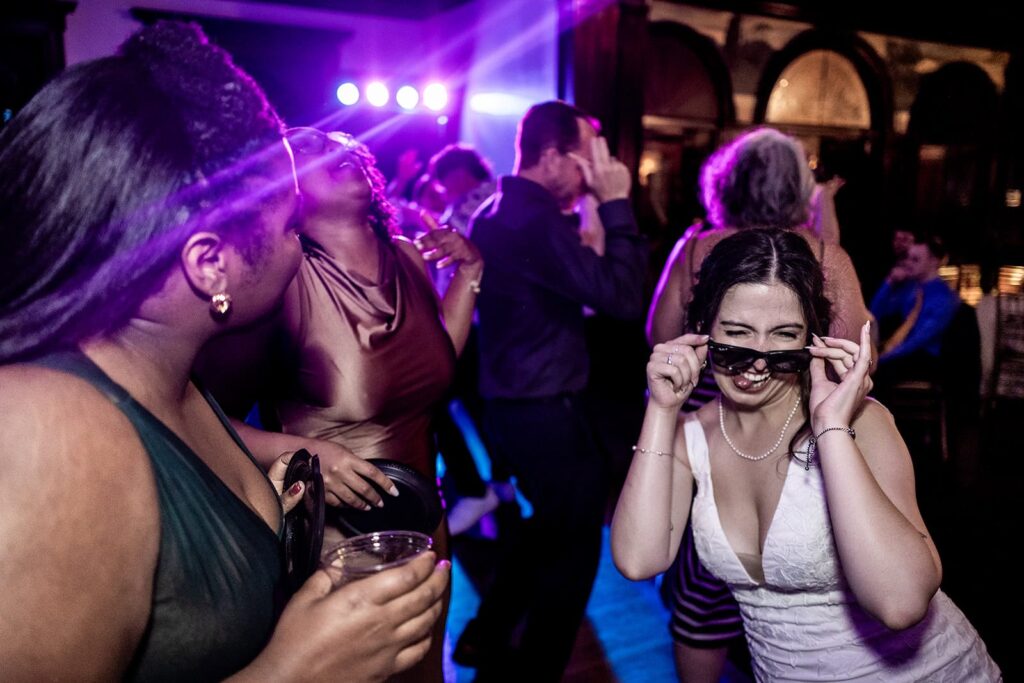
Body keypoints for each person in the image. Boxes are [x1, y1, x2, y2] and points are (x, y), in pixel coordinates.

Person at [0, 20, 448, 681]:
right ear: (210, 264)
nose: (300, 244)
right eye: (291, 224)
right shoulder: (54, 426)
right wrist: (298, 669)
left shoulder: (171, 380)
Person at [612, 229, 1000, 682]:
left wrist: (831, 427)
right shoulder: (688, 433)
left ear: (810, 341)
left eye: (782, 337)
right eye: (736, 335)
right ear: (702, 330)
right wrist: (662, 408)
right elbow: (639, 559)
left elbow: (901, 603)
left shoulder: (862, 421)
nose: (757, 362)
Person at [645, 127, 874, 682]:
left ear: (726, 182)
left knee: (706, 569)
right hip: (793, 428)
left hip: (711, 421)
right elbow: (859, 355)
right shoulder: (821, 254)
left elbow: (659, 334)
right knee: (795, 549)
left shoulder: (699, 245)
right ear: (798, 185)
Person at [256, 126, 483, 683]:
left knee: (426, 672)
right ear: (282, 185)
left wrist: (469, 275)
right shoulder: (281, 277)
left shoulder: (406, 255)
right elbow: (198, 413)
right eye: (308, 148)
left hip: (425, 526)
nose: (338, 148)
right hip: (335, 545)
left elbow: (432, 367)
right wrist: (300, 450)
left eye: (340, 140)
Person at [454, 100, 648, 680]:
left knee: (542, 530)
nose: (591, 171)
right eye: (584, 159)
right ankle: (537, 668)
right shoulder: (532, 220)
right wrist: (615, 204)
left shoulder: (502, 211)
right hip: (544, 411)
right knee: (575, 549)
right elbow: (622, 297)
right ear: (551, 155)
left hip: (517, 406)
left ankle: (484, 636)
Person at [871, 233, 960, 388]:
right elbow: (874, 314)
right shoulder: (911, 290)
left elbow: (919, 340)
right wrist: (889, 282)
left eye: (916, 260)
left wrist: (883, 358)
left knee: (876, 373)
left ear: (934, 262)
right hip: (903, 352)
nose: (909, 264)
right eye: (909, 258)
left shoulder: (943, 297)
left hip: (925, 358)